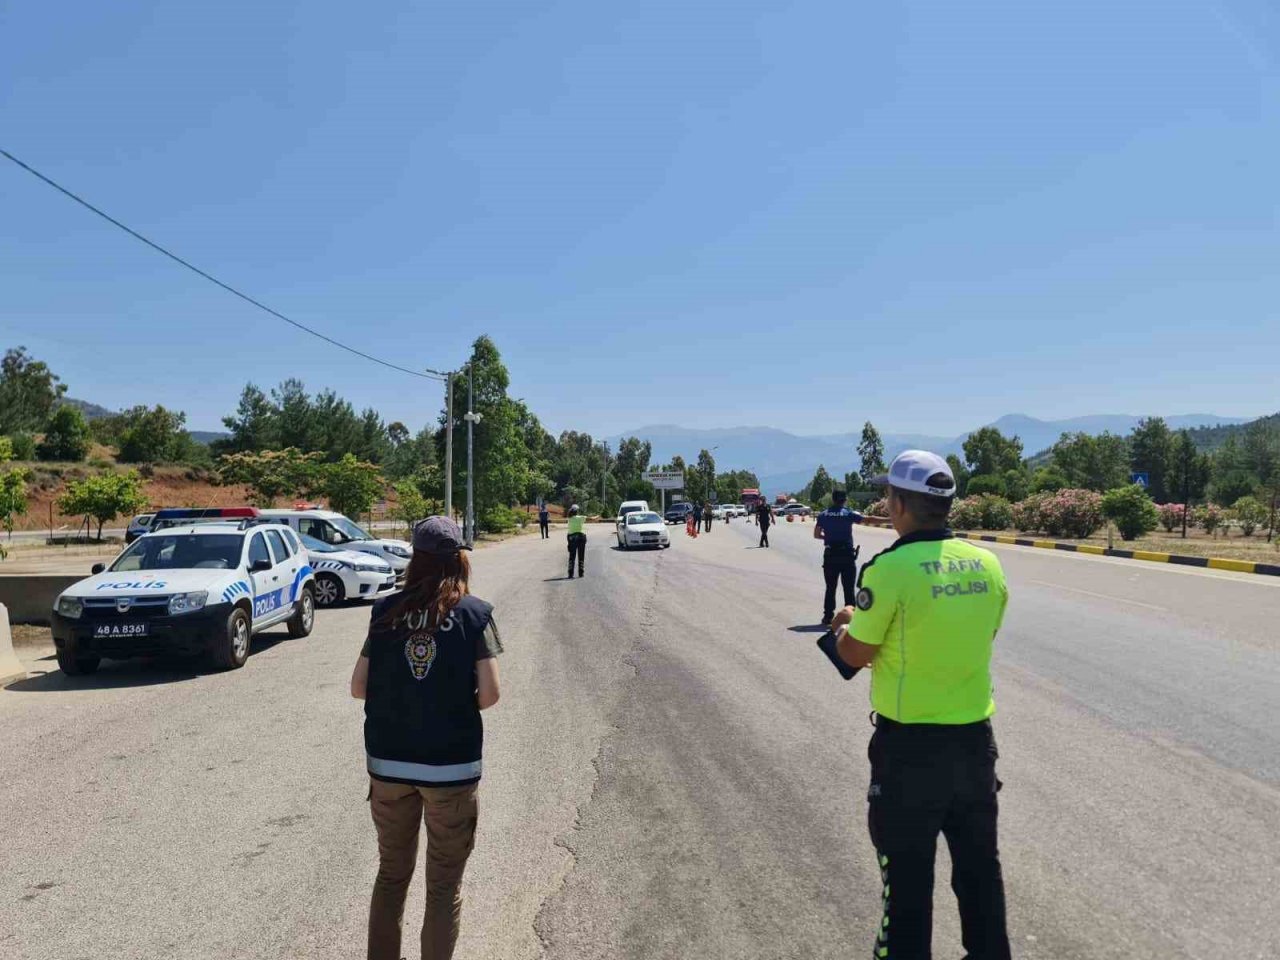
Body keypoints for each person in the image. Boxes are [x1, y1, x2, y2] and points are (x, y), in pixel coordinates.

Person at [830, 450, 1011, 960]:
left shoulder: (890, 569)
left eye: (888, 494)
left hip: (909, 754)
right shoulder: (988, 564)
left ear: (900, 504)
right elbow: (984, 632)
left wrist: (844, 625)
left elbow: (856, 655)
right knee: (981, 878)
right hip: (976, 748)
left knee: (907, 892)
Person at [349, 515, 503, 960]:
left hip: (388, 766)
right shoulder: (475, 615)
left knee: (391, 877)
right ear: (458, 560)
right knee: (442, 887)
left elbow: (359, 686)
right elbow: (490, 694)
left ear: (415, 559)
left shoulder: (385, 612)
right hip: (451, 769)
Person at [813, 488, 873, 626]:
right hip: (847, 555)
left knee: (830, 587)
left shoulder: (824, 515)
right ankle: (851, 617)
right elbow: (867, 519)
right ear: (845, 500)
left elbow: (816, 534)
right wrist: (890, 518)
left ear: (833, 499)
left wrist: (827, 537)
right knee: (848, 588)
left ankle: (828, 617)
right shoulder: (848, 514)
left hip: (830, 555)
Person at [566, 503, 586, 578]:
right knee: (581, 556)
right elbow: (592, 518)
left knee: (572, 556)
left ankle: (570, 574)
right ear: (577, 511)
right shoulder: (581, 518)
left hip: (572, 538)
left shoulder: (569, 519)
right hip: (581, 537)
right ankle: (581, 573)